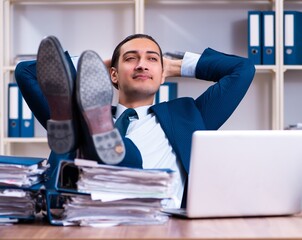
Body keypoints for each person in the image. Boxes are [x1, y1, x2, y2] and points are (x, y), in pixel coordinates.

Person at [15, 34, 255, 208]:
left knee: (124, 152)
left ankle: (100, 134)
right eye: (131, 59)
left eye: (152, 59)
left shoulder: (189, 115)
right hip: (84, 216)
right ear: (114, 75)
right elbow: (25, 72)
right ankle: (95, 130)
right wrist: (94, 68)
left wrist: (175, 65)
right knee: (80, 125)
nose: (141, 64)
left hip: (158, 221)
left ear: (163, 75)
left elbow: (242, 70)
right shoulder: (81, 114)